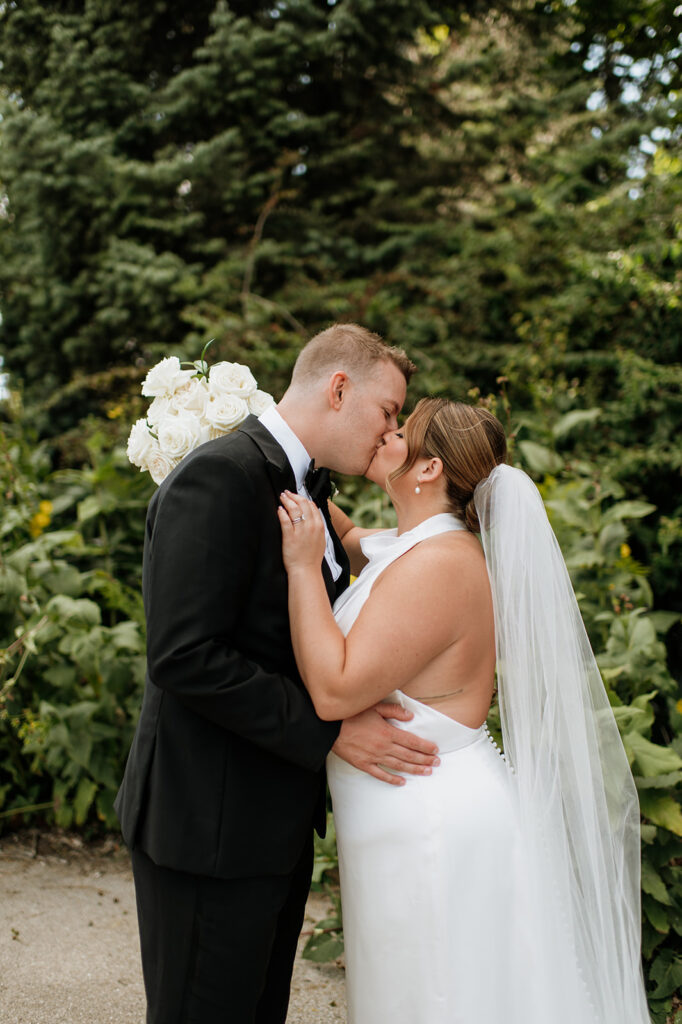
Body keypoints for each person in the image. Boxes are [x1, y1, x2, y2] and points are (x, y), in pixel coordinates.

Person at [278, 397, 652, 1024]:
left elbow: (335, 690)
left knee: (440, 1000)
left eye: (400, 432)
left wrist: (298, 567)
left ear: (427, 470)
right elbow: (346, 536)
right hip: (406, 814)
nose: (384, 435)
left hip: (431, 821)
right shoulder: (413, 545)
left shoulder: (441, 566)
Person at [114, 323, 442, 1024]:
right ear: (338, 388)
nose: (393, 432)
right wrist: (328, 733)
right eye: (389, 411)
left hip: (270, 826)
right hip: (207, 827)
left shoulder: (310, 492)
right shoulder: (219, 476)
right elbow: (184, 656)